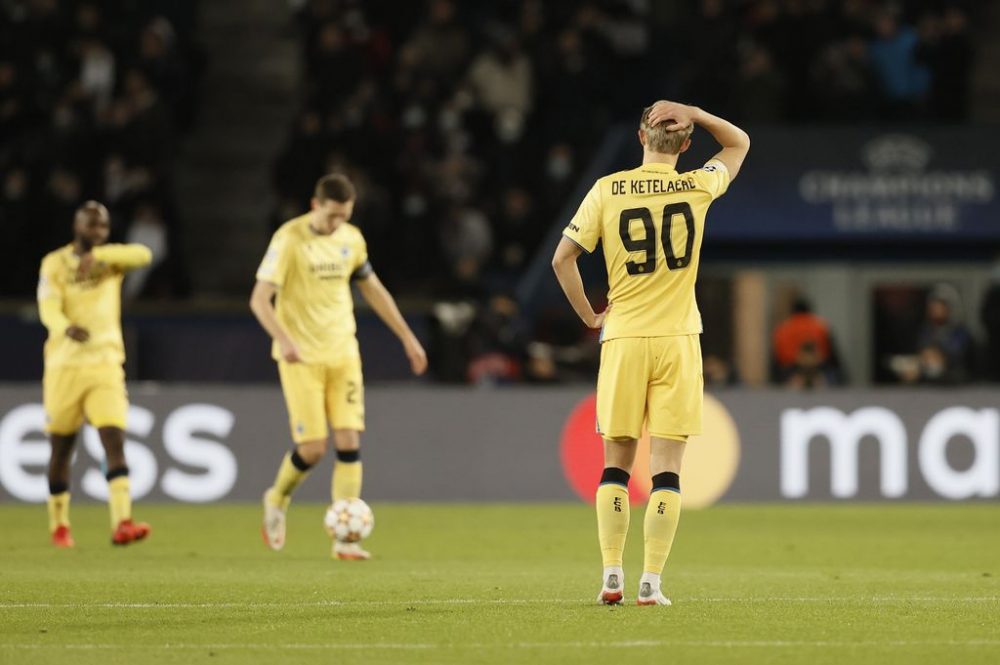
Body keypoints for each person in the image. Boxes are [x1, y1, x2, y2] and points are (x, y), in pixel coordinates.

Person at [552, 100, 749, 605]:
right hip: (678, 340)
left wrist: (591, 316)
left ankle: (611, 576)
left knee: (615, 468)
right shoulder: (697, 185)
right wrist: (697, 112)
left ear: (641, 138)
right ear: (685, 146)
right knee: (666, 472)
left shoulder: (607, 190)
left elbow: (562, 259)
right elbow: (739, 143)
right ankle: (652, 582)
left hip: (623, 339)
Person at [251, 173, 427, 560]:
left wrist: (407, 337)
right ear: (316, 206)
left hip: (343, 353)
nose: (337, 224)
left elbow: (374, 291)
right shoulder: (289, 239)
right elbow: (260, 299)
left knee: (349, 441)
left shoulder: (351, 239)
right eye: (332, 216)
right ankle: (277, 497)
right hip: (301, 358)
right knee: (313, 449)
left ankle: (345, 540)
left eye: (344, 216)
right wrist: (284, 338)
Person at [37, 201, 154, 548]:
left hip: (105, 365)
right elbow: (47, 306)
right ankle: (59, 525)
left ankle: (123, 522)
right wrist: (65, 327)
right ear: (77, 226)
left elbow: (144, 255)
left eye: (102, 227)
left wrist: (103, 256)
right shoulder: (54, 263)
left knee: (113, 441)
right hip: (64, 367)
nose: (98, 232)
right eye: (92, 226)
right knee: (61, 449)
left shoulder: (112, 260)